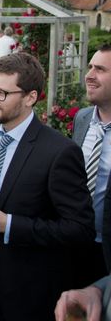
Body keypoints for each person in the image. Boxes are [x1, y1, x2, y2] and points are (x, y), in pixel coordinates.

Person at [0, 52, 95, 320]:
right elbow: (4, 183)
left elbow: (80, 229)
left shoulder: (60, 153)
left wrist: (7, 224)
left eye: (1, 93)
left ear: (30, 98)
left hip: (28, 286)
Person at [71, 44, 111, 286]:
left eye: (100, 69)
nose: (89, 75)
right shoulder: (82, 118)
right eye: (89, 67)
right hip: (73, 242)